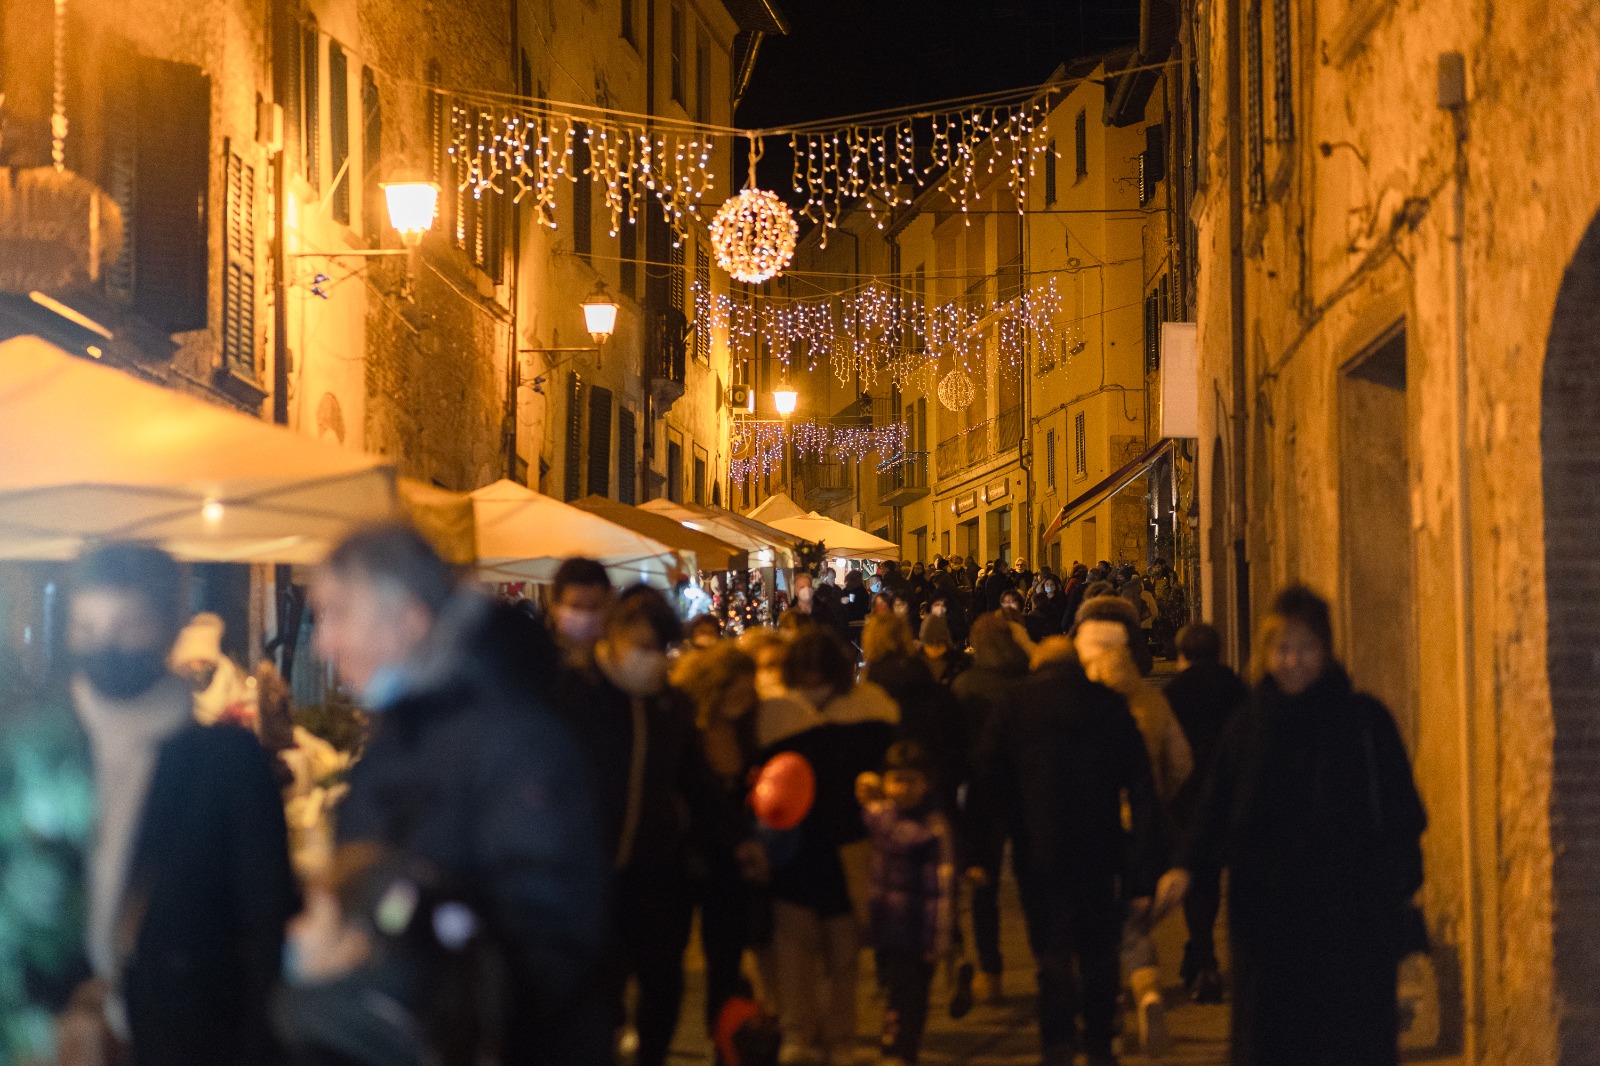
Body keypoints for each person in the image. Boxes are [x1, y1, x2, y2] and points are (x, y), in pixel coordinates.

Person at [316, 526, 608, 1066]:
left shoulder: (515, 740)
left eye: (338, 615)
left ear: (407, 619)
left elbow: (548, 943)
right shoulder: (401, 734)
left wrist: (400, 976)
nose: (322, 642)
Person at [8, 543, 298, 1066]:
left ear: (169, 626)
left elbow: (263, 926)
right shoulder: (33, 754)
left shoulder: (228, 764)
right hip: (44, 1038)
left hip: (184, 1040)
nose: (107, 644)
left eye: (128, 624)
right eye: (88, 627)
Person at [1157, 586, 1427, 1066]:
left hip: (1350, 926)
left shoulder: (1363, 722)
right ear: (1266, 653)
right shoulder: (1246, 727)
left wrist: (1393, 885)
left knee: (1347, 1043)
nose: (1293, 661)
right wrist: (1185, 868)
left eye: (1305, 648)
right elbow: (1214, 809)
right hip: (1268, 926)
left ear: (1325, 650)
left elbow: (1403, 812)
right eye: (1282, 649)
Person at [563, 587, 744, 1066]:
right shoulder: (578, 696)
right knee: (600, 989)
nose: (650, 659)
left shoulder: (671, 706)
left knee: (664, 981)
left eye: (658, 649)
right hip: (591, 874)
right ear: (615, 639)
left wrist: (735, 840)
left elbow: (696, 782)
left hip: (657, 869)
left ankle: (652, 1056)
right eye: (641, 646)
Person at [970, 623, 1165, 1066]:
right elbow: (1141, 786)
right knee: (1099, 947)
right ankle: (1098, 1040)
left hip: (1038, 847)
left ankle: (1057, 1042)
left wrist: (982, 849)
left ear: (1038, 665)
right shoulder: (1109, 705)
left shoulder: (1014, 705)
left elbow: (986, 777)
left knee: (1051, 947)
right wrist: (1143, 862)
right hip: (1100, 845)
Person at [761, 626, 899, 1065]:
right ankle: (803, 1032)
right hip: (801, 851)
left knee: (839, 954)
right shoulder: (780, 716)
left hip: (842, 850)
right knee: (801, 953)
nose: (811, 677)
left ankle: (836, 1037)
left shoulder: (864, 715)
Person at [1071, 598, 1192, 1055]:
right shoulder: (1149, 699)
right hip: (1141, 826)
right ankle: (1148, 993)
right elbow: (1181, 762)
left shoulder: (1082, 704)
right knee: (1135, 924)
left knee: (1097, 930)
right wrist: (1160, 793)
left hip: (1092, 828)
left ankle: (1111, 1018)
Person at [670, 642, 772, 1052]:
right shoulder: (685, 732)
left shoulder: (750, 730)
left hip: (731, 862)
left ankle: (725, 1043)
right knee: (666, 962)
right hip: (683, 857)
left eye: (748, 693)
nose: (741, 700)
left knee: (725, 962)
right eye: (733, 690)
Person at [276, 843, 433, 1066]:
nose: (293, 928)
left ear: (354, 943)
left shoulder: (321, 1037)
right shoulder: (326, 1032)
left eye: (308, 914)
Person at [1161, 622, 1247, 1001]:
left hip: (1189, 797)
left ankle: (1203, 955)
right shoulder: (1238, 688)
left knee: (1199, 880)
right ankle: (1205, 957)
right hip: (1233, 794)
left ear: (1182, 654)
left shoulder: (1172, 692)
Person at [857, 743, 956, 1066]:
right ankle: (899, 1050)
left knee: (907, 999)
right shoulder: (884, 816)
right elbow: (868, 806)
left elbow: (940, 890)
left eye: (912, 780)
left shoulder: (931, 827)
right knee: (897, 996)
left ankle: (898, 1052)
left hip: (916, 934)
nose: (904, 788)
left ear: (927, 782)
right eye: (896, 779)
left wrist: (937, 939)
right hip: (888, 930)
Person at [949, 614, 1030, 1005]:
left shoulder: (967, 685)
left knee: (985, 883)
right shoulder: (1028, 682)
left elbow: (958, 744)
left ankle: (990, 969)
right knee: (1036, 878)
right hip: (1028, 791)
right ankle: (1049, 957)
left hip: (983, 792)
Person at [549, 557, 615, 672]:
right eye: (575, 607)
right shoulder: (537, 666)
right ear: (555, 608)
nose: (586, 617)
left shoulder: (619, 672)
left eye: (594, 607)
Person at [917, 614, 968, 687]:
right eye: (930, 642)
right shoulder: (915, 666)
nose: (935, 646)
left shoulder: (959, 664)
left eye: (939, 642)